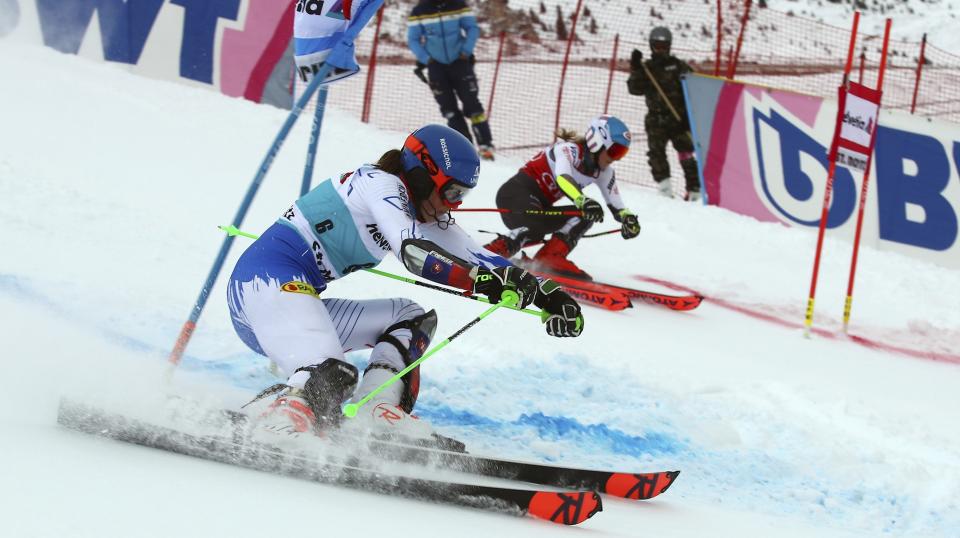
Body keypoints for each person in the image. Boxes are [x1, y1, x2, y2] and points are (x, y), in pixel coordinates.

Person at [227, 125, 583, 436]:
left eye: (462, 196)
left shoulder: (421, 208)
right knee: (330, 377)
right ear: (424, 174)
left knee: (409, 319)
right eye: (453, 192)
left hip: (298, 304)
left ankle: (378, 411)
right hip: (261, 288)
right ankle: (281, 418)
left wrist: (549, 296)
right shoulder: (377, 183)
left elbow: (479, 255)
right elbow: (413, 253)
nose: (454, 205)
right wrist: (477, 280)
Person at [482, 116, 642, 280]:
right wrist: (582, 201)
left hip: (540, 208)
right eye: (615, 150)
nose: (616, 158)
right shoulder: (568, 150)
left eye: (622, 153)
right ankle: (494, 251)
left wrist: (628, 219)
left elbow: (617, 205)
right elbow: (563, 178)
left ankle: (549, 259)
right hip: (514, 195)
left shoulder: (605, 172)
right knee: (535, 221)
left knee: (584, 217)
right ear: (597, 142)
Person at [407, 0, 495, 161]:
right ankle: (465, 148)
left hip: (460, 62)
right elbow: (413, 39)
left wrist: (466, 51)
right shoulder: (419, 10)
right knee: (449, 110)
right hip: (436, 67)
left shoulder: (458, 4)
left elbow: (472, 28)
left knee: (472, 105)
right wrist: (426, 59)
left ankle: (486, 145)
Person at [626, 26, 701, 201]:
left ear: (669, 46)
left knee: (686, 151)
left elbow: (694, 87)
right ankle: (665, 189)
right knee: (656, 153)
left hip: (678, 118)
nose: (660, 50)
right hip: (656, 119)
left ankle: (694, 189)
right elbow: (634, 89)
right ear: (651, 46)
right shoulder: (647, 69)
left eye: (663, 46)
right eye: (657, 46)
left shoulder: (677, 66)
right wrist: (636, 68)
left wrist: (688, 117)